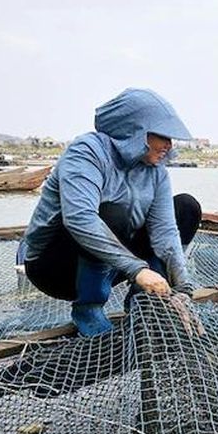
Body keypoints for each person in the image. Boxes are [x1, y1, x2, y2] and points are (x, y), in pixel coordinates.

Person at [19, 88, 202, 337]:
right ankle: (89, 308)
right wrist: (138, 270)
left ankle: (146, 303)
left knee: (186, 207)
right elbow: (80, 218)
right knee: (111, 213)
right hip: (55, 267)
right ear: (135, 130)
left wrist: (183, 289)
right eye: (162, 136)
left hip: (113, 263)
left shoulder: (156, 170)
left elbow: (165, 232)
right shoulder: (86, 152)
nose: (168, 146)